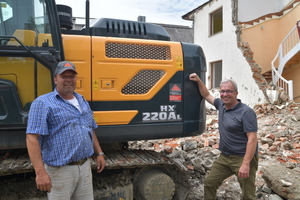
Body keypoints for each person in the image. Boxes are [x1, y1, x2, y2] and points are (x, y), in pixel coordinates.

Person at [26, 61, 105, 200]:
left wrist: (99, 152)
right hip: (60, 171)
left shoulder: (81, 100)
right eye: (64, 76)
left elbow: (90, 128)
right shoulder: (43, 103)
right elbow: (32, 138)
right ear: (55, 78)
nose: (69, 80)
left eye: (72, 76)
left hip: (85, 166)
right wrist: (40, 173)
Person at [189, 73, 258, 200]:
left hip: (242, 157)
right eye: (222, 91)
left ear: (236, 93)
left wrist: (246, 164)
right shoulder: (221, 105)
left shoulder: (246, 112)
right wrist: (198, 80)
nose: (225, 94)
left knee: (248, 194)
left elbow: (252, 139)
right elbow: (206, 95)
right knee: (210, 183)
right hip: (225, 157)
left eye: (228, 91)